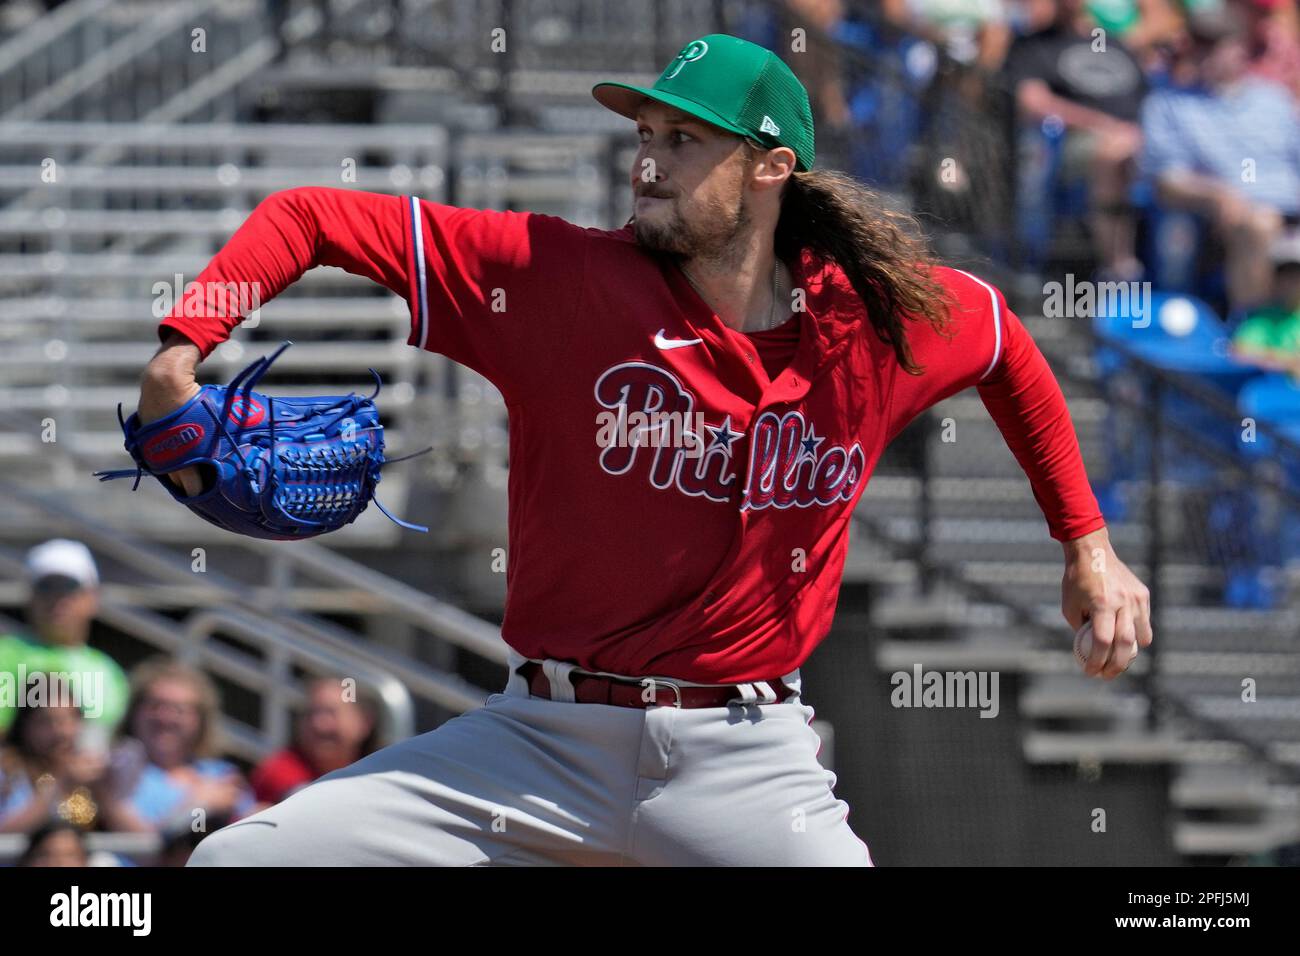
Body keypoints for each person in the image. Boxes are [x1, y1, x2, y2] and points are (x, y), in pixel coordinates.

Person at [132, 33, 1150, 866]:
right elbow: (310, 216)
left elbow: (1006, 343)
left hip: (744, 762)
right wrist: (183, 349)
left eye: (683, 136)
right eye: (644, 131)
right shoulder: (555, 278)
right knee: (239, 864)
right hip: (537, 742)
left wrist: (1086, 541)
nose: (647, 156)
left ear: (770, 168)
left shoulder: (877, 322)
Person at [1139, 1, 1300, 313]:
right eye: (1197, 43)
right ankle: (1252, 332)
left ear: (1240, 49)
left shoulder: (1275, 101)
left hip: (1291, 210)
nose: (1203, 52)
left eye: (1214, 44)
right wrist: (1216, 194)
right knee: (1260, 224)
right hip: (1228, 221)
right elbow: (1165, 182)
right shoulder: (1169, 104)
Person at [1003, 0, 1149, 280]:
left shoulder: (1118, 45)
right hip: (1069, 144)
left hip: (1137, 143)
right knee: (1112, 153)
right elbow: (1033, 102)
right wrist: (1100, 125)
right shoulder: (1034, 46)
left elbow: (1149, 99)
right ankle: (1118, 267)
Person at [102, 659, 255, 835]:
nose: (165, 718)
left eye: (179, 709)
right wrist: (200, 806)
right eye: (155, 705)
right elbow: (151, 854)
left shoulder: (221, 774)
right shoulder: (115, 770)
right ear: (135, 711)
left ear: (201, 720)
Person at [0, 539, 130, 740]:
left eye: (69, 587)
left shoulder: (108, 669)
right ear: (30, 596)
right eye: (46, 587)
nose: (57, 599)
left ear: (92, 597)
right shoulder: (4, 654)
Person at [249, 677, 378, 805]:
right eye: (311, 713)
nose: (319, 724)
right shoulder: (279, 772)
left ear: (365, 722)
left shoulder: (379, 775)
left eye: (331, 713)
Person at [1230, 230, 1300, 373]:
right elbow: (1240, 352)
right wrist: (1288, 362)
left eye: (1297, 272)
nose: (1291, 281)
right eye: (1284, 273)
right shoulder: (1261, 318)